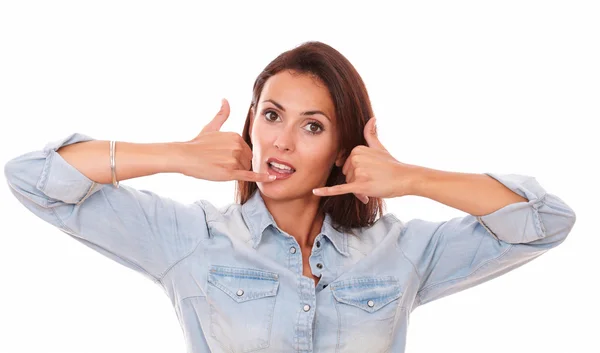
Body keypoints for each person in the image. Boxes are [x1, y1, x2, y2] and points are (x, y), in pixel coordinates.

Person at [4, 41, 576, 353]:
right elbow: (35, 177)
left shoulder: (401, 251)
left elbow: (544, 222)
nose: (280, 139)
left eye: (312, 126)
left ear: (340, 148)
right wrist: (175, 154)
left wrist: (414, 178)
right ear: (252, 124)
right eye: (272, 116)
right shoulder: (190, 240)